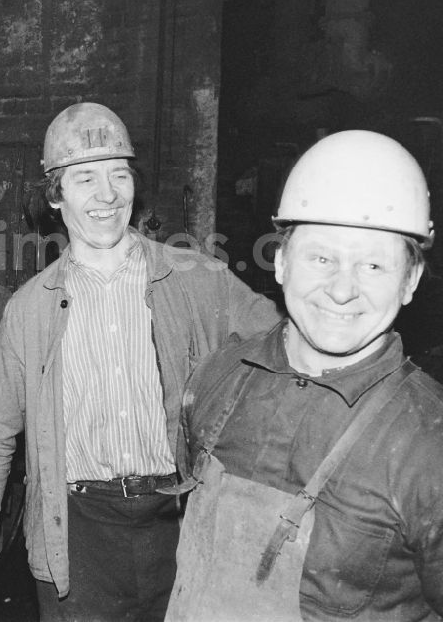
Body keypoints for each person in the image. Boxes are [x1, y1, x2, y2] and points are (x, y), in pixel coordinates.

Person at [0, 102, 282, 621]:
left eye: (118, 176)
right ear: (55, 195)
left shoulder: (196, 279)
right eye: (85, 179)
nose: (107, 195)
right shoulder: (30, 309)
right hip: (77, 532)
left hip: (179, 519)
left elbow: (280, 350)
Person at [169, 130, 443, 620]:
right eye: (321, 257)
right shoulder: (216, 379)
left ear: (411, 281)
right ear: (280, 261)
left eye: (374, 265)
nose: (342, 289)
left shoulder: (428, 446)